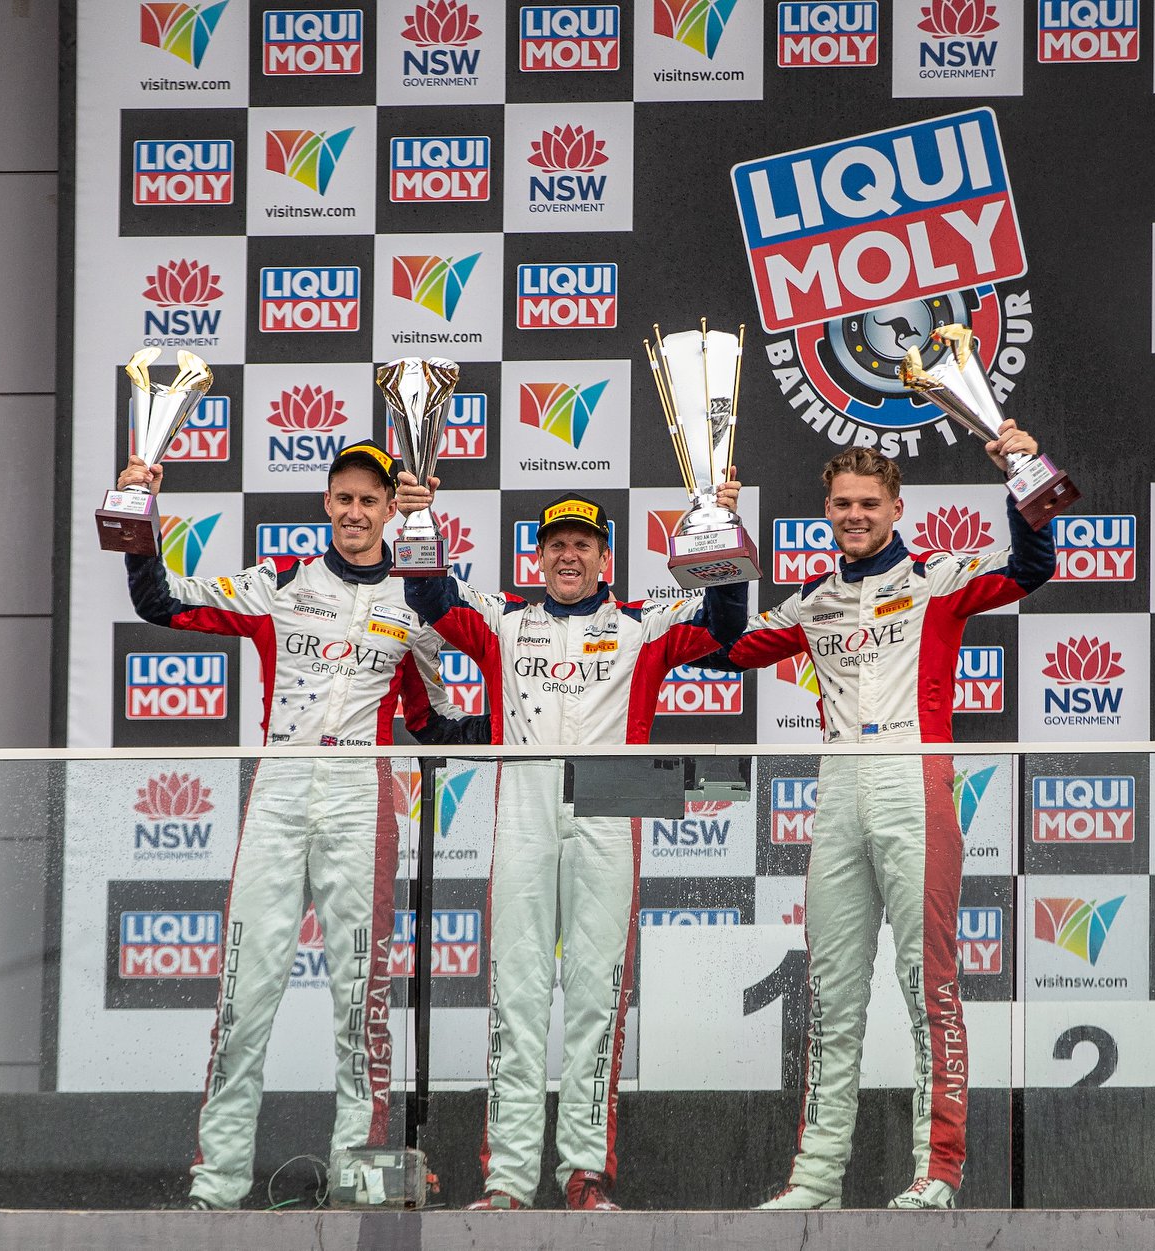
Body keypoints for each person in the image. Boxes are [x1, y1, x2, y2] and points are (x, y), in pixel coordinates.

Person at [119, 440, 488, 1210]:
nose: (355, 512)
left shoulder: (416, 606)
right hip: (280, 785)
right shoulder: (279, 583)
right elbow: (161, 602)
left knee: (361, 999)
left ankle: (357, 1176)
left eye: (369, 500)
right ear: (326, 503)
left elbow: (435, 721)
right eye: (343, 497)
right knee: (243, 997)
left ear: (389, 510)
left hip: (362, 793)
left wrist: (525, 728)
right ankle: (216, 1183)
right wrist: (137, 510)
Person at [707, 425, 1055, 1211]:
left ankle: (938, 1169)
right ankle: (815, 1177)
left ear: (897, 508)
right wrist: (721, 541)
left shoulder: (937, 577)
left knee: (927, 982)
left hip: (912, 776)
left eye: (868, 503)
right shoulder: (813, 600)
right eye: (841, 504)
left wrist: (1019, 471)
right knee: (831, 990)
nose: (854, 515)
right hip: (837, 783)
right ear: (826, 511)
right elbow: (724, 647)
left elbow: (1031, 566)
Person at [392, 473, 748, 1211]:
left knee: (596, 998)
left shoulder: (640, 623)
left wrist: (720, 532)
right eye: (555, 543)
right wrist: (417, 522)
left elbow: (724, 625)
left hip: (611, 806)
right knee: (516, 998)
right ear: (537, 557)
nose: (567, 555)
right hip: (523, 805)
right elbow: (429, 596)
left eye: (583, 544)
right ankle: (507, 1179)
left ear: (605, 559)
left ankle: (585, 1173)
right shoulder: (503, 620)